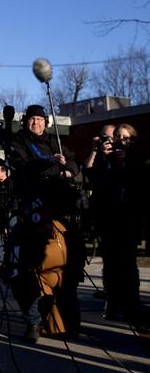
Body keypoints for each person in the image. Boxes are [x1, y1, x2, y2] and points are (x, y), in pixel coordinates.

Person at [7, 104, 82, 343]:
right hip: (31, 214)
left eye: (39, 119)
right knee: (24, 271)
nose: (35, 123)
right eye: (31, 119)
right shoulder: (18, 142)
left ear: (45, 122)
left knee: (68, 268)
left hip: (59, 214)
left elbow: (73, 163)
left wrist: (67, 171)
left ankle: (63, 319)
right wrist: (52, 164)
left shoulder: (55, 142)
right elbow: (23, 168)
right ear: (25, 122)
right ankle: (33, 322)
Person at [96, 123, 147, 322]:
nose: (121, 142)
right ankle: (112, 303)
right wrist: (103, 157)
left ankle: (132, 305)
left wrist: (125, 164)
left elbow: (139, 188)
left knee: (127, 264)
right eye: (118, 137)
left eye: (126, 138)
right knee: (110, 264)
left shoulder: (137, 161)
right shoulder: (107, 160)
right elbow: (96, 182)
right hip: (109, 219)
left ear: (132, 141)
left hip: (128, 220)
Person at [82, 123, 116, 300]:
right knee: (107, 255)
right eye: (105, 137)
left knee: (122, 257)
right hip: (102, 213)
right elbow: (86, 170)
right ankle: (108, 289)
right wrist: (95, 150)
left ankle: (123, 292)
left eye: (111, 137)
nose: (108, 141)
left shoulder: (121, 156)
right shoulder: (100, 158)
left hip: (120, 214)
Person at [0, 165, 13, 264]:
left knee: (11, 236)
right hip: (0, 214)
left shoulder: (10, 183)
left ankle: (11, 257)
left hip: (9, 214)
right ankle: (0, 258)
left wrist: (9, 210)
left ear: (4, 172)